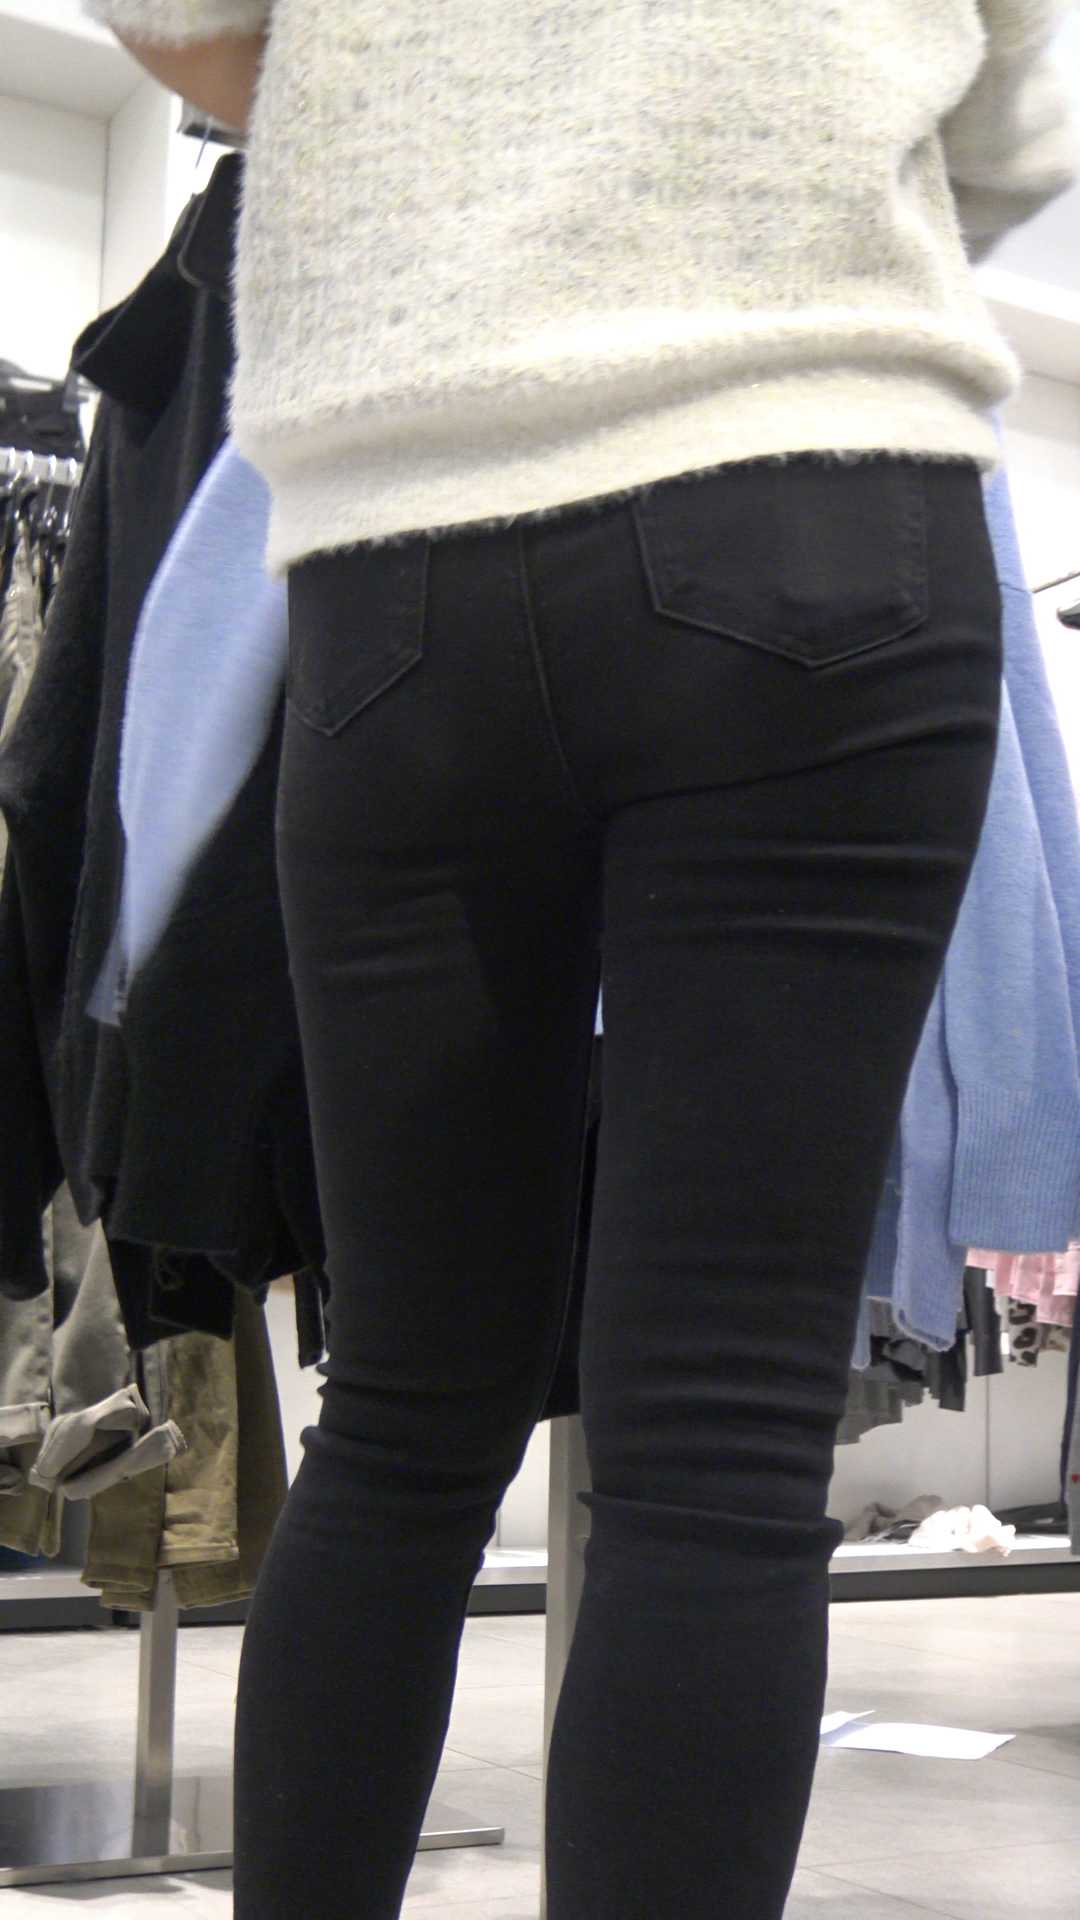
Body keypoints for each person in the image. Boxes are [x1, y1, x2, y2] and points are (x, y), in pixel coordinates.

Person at [86, 4, 1080, 1915]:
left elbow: (182, 22)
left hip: (404, 553)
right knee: (716, 1444)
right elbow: (1019, 116)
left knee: (401, 1413)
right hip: (806, 482)